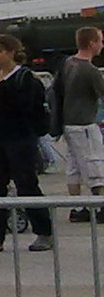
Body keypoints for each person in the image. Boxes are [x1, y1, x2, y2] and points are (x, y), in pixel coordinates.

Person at [0, 34, 55, 253]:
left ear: (11, 52)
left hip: (21, 136)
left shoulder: (25, 78)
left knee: (26, 183)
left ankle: (44, 230)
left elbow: (25, 106)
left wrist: (2, 87)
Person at [58, 26, 104, 222]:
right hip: (84, 123)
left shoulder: (68, 63)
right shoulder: (90, 70)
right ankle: (100, 205)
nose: (102, 45)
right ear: (92, 43)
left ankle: (77, 206)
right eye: (100, 41)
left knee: (74, 166)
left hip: (68, 122)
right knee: (94, 164)